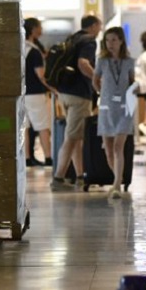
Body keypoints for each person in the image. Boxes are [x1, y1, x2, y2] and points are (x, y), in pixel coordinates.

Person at [52, 14, 102, 189]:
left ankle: (80, 177)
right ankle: (58, 178)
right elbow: (83, 63)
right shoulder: (89, 40)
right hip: (79, 95)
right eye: (99, 26)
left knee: (76, 137)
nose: (100, 30)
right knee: (72, 137)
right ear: (94, 26)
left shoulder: (72, 38)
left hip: (64, 93)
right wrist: (97, 80)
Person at [93, 26, 135, 199]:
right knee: (109, 149)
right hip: (106, 107)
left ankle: (117, 184)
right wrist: (101, 93)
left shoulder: (129, 61)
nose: (110, 44)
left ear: (121, 41)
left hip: (124, 108)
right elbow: (95, 80)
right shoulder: (101, 60)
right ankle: (118, 177)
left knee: (119, 146)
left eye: (114, 40)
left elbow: (132, 81)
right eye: (107, 40)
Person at [22, 18, 53, 168]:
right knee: (42, 126)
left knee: (25, 127)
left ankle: (27, 158)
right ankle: (48, 158)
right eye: (40, 27)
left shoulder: (20, 48)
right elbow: (41, 75)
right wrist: (54, 88)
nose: (42, 30)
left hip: (21, 94)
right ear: (33, 29)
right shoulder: (34, 51)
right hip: (35, 94)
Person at [134, 30, 146, 142]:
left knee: (144, 111)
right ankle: (144, 127)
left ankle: (142, 129)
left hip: (141, 87)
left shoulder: (142, 56)